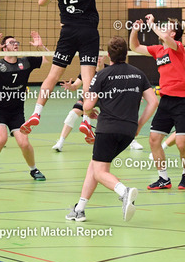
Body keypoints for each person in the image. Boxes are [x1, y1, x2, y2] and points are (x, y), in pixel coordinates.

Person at [20, 0, 114, 144]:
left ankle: (37, 112)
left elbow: (41, 2)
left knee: (52, 76)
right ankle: (86, 120)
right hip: (88, 33)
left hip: (68, 32)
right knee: (88, 79)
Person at [66, 37, 158, 222]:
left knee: (99, 171)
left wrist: (90, 110)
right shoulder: (139, 74)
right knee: (95, 165)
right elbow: (153, 102)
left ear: (109, 55)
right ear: (126, 53)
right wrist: (139, 125)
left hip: (107, 129)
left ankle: (124, 192)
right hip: (128, 131)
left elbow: (87, 105)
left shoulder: (102, 75)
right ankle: (80, 209)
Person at [130, 15, 185, 190]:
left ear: (173, 33)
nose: (163, 27)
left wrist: (152, 25)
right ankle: (163, 178)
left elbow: (164, 36)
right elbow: (135, 47)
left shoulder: (178, 47)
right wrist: (135, 30)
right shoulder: (158, 50)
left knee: (181, 143)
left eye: (167, 26)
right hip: (166, 101)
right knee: (154, 140)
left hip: (183, 102)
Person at [0, 32, 48, 183]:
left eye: (16, 42)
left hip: (16, 111)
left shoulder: (26, 62)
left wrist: (41, 47)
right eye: (11, 42)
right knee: (1, 138)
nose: (15, 44)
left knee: (24, 143)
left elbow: (51, 61)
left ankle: (34, 169)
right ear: (4, 48)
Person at [52, 56, 144, 152]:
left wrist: (135, 94)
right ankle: (60, 142)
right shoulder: (86, 70)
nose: (98, 58)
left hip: (107, 97)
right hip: (89, 97)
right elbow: (75, 86)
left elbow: (123, 85)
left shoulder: (111, 70)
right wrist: (70, 86)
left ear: (105, 57)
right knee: (72, 114)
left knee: (119, 116)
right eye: (97, 56)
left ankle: (132, 141)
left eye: (100, 56)